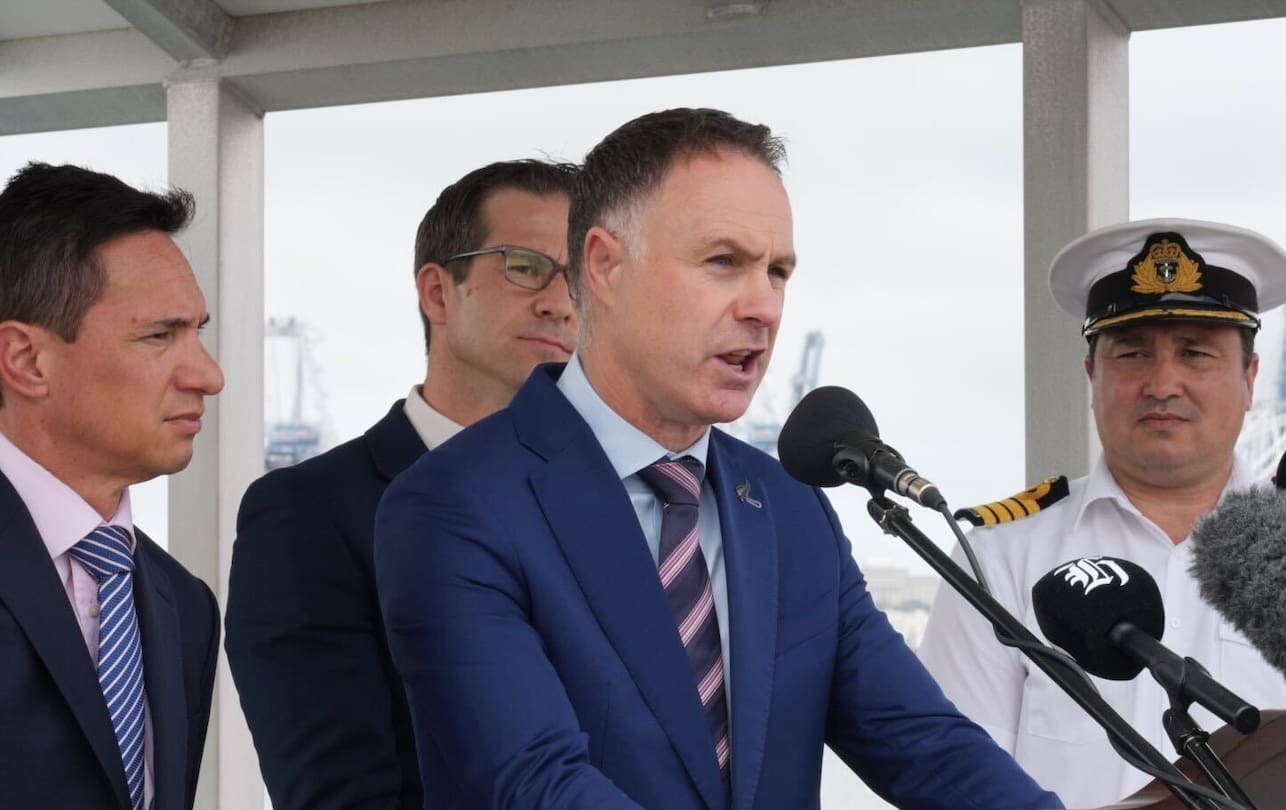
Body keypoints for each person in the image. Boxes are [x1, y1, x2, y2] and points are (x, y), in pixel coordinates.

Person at [373, 108, 1061, 810]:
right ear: (606, 266)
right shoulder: (455, 508)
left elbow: (924, 742)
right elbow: (536, 785)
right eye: (724, 262)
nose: (763, 305)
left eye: (779, 271)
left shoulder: (791, 507)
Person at [918, 218, 1286, 808]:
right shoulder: (998, 560)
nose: (1162, 383)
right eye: (1132, 353)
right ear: (1092, 374)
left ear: (1249, 378)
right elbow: (953, 783)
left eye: (1196, 353)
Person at [225, 159, 578, 809]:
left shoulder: (611, 503)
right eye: (526, 266)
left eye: (580, 275)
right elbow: (343, 797)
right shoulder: (310, 517)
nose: (560, 301)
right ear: (439, 293)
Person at [0, 162, 224, 809]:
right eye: (161, 336)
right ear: (26, 360)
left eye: (197, 333)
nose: (209, 376)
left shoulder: (186, 605)